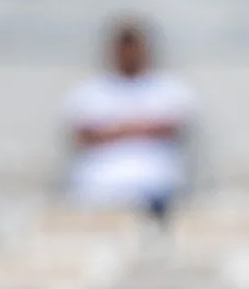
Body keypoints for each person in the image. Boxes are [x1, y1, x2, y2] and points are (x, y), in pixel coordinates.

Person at [65, 18, 197, 219]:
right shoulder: (90, 91)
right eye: (124, 47)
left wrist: (113, 130)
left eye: (134, 47)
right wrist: (139, 127)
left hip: (157, 190)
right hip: (100, 190)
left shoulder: (169, 89)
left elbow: (171, 129)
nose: (129, 54)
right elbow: (83, 136)